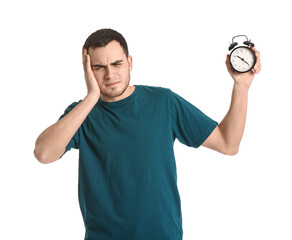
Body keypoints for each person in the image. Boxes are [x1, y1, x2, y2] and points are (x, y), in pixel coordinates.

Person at [34, 28, 261, 240]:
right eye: (98, 67)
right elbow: (44, 153)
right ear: (87, 70)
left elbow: (228, 143)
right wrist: (92, 97)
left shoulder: (163, 102)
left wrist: (241, 86)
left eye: (117, 63)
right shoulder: (81, 114)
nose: (110, 74)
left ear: (130, 63)